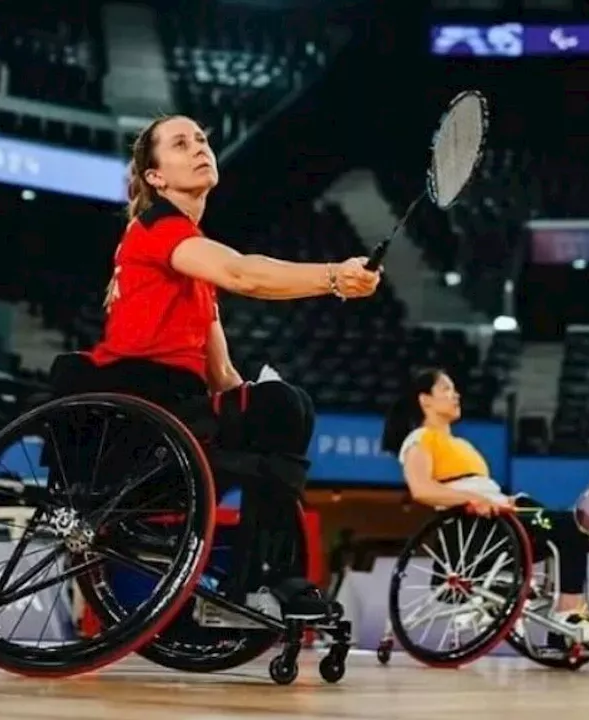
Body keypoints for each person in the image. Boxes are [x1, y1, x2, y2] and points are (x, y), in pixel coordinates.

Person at [49, 114, 381, 620]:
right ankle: (262, 582)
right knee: (283, 406)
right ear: (156, 177)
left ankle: (266, 577)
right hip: (136, 414)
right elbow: (244, 274)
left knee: (284, 405)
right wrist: (333, 276)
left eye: (202, 139)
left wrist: (260, 400)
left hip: (179, 413)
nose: (200, 147)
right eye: (181, 143)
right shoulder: (157, 226)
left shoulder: (194, 266)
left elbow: (223, 375)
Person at [381, 368, 589, 645]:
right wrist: (473, 500)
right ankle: (568, 615)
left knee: (572, 527)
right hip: (477, 526)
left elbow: (481, 489)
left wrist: (497, 500)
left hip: (502, 513)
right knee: (569, 524)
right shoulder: (420, 439)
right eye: (446, 389)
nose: (455, 394)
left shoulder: (462, 444)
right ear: (425, 401)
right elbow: (422, 489)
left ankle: (564, 627)